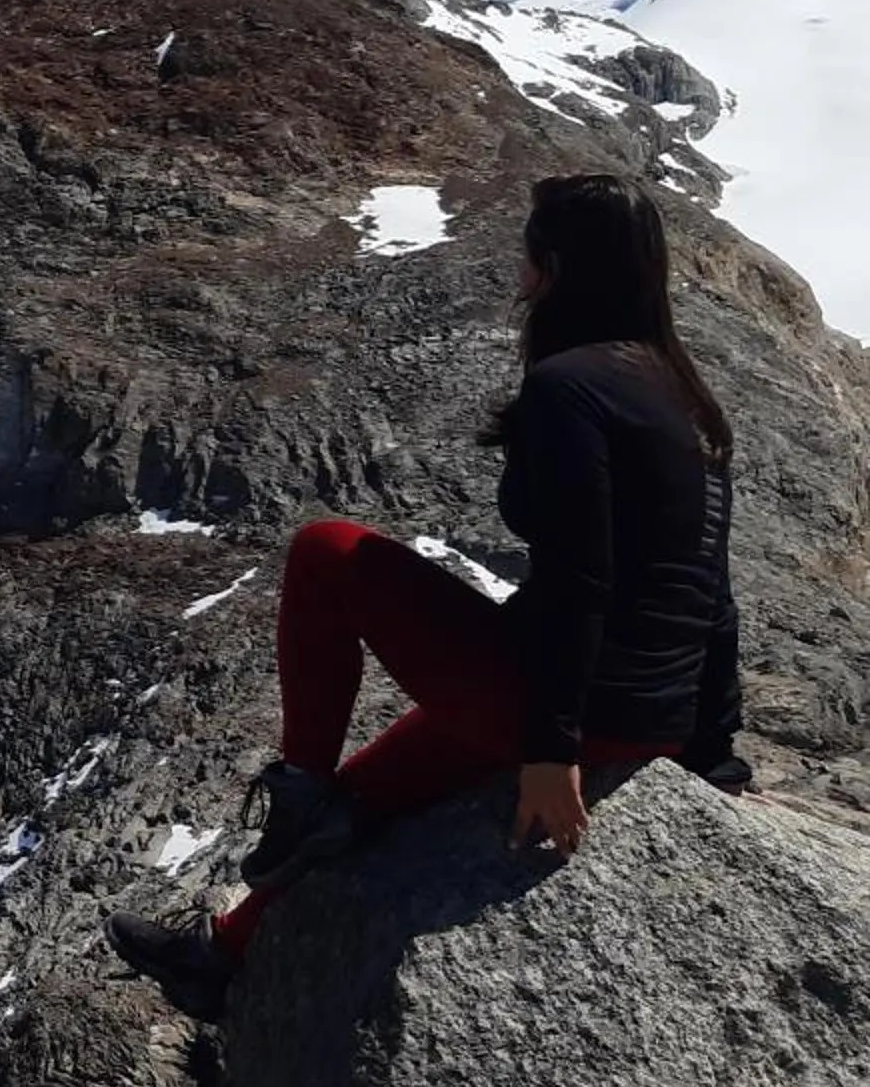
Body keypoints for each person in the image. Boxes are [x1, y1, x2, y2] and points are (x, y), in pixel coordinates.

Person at [107, 172, 747, 1021]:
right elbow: (712, 590)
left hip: (572, 709)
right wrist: (716, 756)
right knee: (369, 791)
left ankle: (298, 792)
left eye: (525, 251)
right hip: (648, 713)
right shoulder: (683, 397)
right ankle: (224, 957)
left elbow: (582, 576)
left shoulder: (571, 388)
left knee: (325, 549)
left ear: (550, 267)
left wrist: (550, 754)